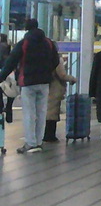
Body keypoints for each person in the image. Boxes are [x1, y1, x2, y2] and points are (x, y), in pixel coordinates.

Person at [0, 18, 60, 154]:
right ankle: (39, 141)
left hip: (28, 82)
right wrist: (47, 71)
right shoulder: (48, 43)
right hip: (44, 82)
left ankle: (30, 143)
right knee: (41, 112)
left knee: (29, 113)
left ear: (27, 28)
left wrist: (1, 77)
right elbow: (55, 60)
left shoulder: (24, 43)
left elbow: (11, 61)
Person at [43, 54, 77, 142]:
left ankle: (43, 134)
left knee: (45, 111)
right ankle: (49, 135)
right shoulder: (56, 60)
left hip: (44, 86)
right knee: (52, 112)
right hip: (54, 88)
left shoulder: (42, 58)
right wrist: (72, 79)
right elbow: (62, 75)